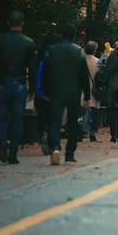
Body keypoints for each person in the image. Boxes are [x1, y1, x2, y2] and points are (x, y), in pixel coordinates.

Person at [0, 11, 36, 164]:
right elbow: (32, 68)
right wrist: (32, 89)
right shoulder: (28, 42)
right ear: (22, 24)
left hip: (2, 83)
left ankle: (2, 143)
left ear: (8, 23)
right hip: (19, 84)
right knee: (18, 119)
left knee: (1, 117)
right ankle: (13, 153)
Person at [43, 24, 91, 164]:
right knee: (73, 123)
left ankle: (55, 147)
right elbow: (84, 76)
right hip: (73, 92)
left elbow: (45, 73)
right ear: (74, 36)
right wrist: (86, 95)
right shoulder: (79, 52)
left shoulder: (51, 50)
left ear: (61, 35)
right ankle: (70, 153)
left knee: (54, 122)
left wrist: (45, 91)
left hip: (55, 91)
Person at [84, 41, 102, 142]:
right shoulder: (98, 62)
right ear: (95, 50)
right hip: (95, 89)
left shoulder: (81, 60)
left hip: (82, 89)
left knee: (83, 111)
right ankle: (92, 133)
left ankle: (81, 130)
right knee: (94, 111)